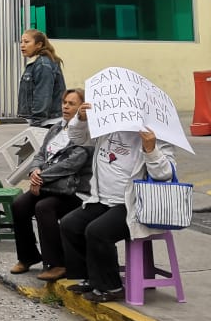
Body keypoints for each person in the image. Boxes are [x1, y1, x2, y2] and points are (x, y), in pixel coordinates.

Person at [59, 101, 177, 303]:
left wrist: (151, 150)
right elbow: (77, 138)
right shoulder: (108, 127)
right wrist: (80, 119)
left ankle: (112, 287)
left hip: (132, 205)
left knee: (97, 232)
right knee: (70, 224)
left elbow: (165, 174)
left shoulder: (153, 134)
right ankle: (90, 278)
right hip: (101, 199)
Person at [10, 88, 93, 282]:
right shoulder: (58, 127)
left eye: (71, 103)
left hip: (71, 190)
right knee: (19, 205)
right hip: (48, 185)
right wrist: (35, 171)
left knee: (44, 207)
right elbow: (41, 153)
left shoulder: (85, 132)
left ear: (82, 107)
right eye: (64, 102)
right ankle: (28, 256)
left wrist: (42, 178)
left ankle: (56, 263)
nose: (65, 106)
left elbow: (73, 163)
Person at [18, 29, 65, 127]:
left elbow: (43, 95)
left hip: (47, 122)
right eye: (21, 42)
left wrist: (36, 121)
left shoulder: (43, 64)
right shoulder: (37, 63)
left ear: (39, 45)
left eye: (26, 42)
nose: (22, 45)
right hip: (43, 120)